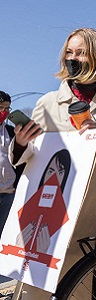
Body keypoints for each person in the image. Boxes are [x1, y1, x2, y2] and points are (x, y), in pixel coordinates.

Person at [9, 28, 96, 299]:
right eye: (69, 52)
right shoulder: (47, 103)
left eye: (80, 52)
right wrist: (21, 142)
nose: (73, 58)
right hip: (67, 217)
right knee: (71, 287)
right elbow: (33, 155)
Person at [0, 91, 25, 238]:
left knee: (4, 235)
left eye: (7, 109)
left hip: (8, 194)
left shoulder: (11, 132)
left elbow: (20, 160)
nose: (4, 112)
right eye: (1, 108)